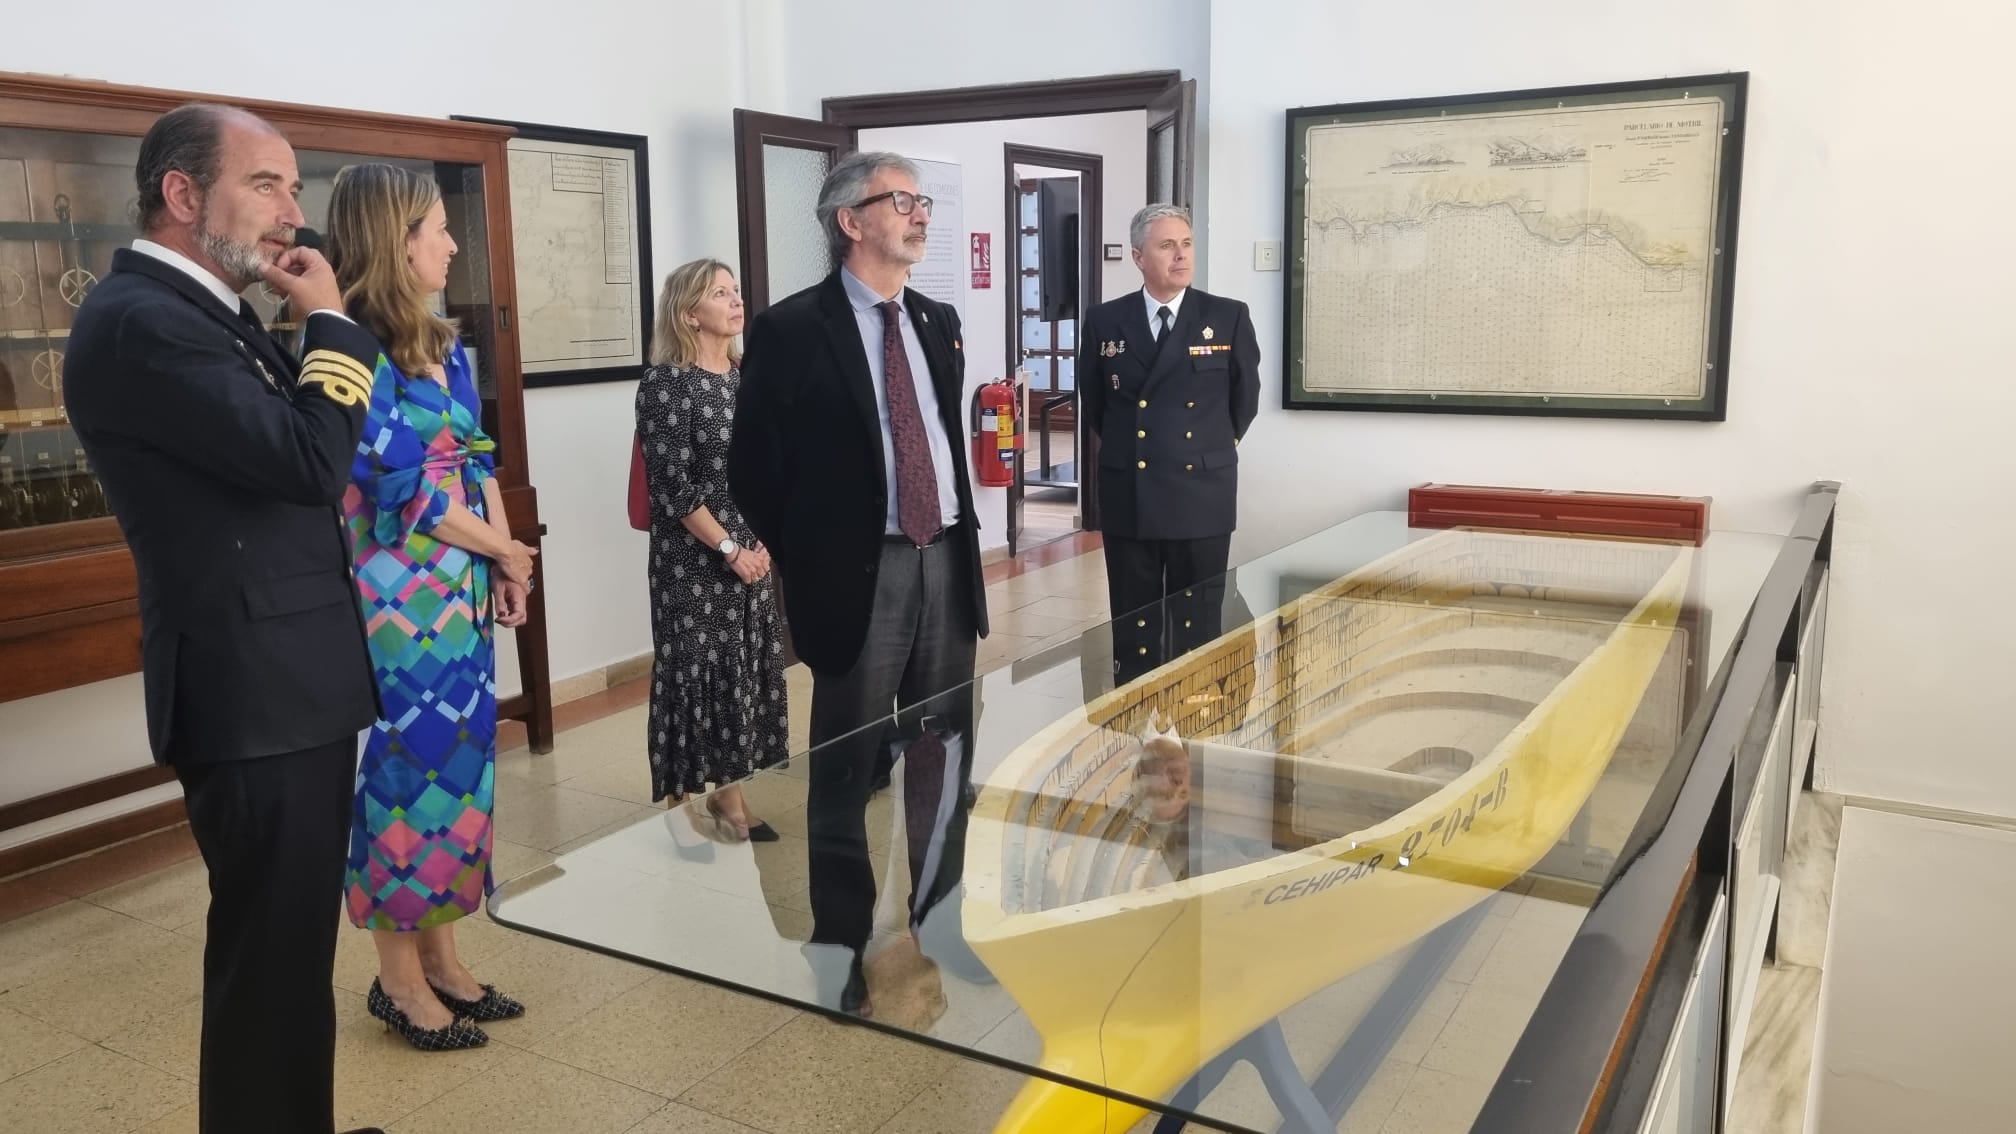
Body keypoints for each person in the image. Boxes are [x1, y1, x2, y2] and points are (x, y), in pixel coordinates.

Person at [60, 102, 388, 1134]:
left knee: (288, 962)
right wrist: (332, 324)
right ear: (182, 193)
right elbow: (311, 461)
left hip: (284, 681)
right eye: (267, 183)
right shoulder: (143, 322)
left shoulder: (207, 314)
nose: (294, 210)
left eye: (295, 185)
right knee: (269, 968)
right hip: (253, 692)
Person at [729, 151, 991, 1017]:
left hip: (944, 558)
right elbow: (754, 469)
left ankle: (940, 921)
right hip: (858, 573)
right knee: (845, 767)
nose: (921, 214)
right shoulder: (792, 329)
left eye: (923, 201)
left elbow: (940, 439)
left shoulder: (937, 320)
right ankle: (840, 942)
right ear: (851, 220)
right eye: (902, 200)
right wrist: (816, 556)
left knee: (943, 755)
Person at [326, 162, 534, 1050]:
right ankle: (398, 980)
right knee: (406, 776)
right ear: (394, 238)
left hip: (461, 584)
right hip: (397, 594)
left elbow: (477, 459)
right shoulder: (349, 350)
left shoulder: (444, 343)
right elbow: (400, 491)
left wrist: (508, 561)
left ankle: (445, 959)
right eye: (438, 229)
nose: (453, 245)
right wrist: (502, 549)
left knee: (462, 767)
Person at [1077, 204, 1261, 685]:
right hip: (1131, 491)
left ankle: (1195, 712)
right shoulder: (1105, 321)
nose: (1181, 255)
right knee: (1134, 620)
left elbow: (1244, 401)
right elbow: (1096, 405)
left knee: (1197, 620)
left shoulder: (1226, 316)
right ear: (1138, 257)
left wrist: (1202, 451)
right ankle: (1137, 710)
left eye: (1187, 243)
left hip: (1201, 490)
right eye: (1166, 246)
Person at [637, 258, 788, 838]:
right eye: (719, 293)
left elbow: (772, 466)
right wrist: (729, 548)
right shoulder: (665, 385)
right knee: (692, 673)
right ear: (688, 314)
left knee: (739, 671)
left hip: (752, 552)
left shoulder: (749, 377)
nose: (735, 300)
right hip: (693, 560)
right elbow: (673, 487)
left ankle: (729, 796)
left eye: (735, 290)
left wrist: (763, 542)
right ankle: (680, 805)